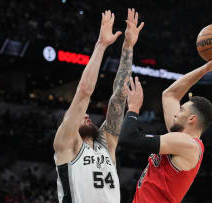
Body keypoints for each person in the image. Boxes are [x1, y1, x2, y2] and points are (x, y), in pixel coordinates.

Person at [53, 9, 144, 203]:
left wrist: (128, 47)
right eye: (81, 116)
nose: (86, 116)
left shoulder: (106, 145)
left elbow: (119, 96)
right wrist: (101, 45)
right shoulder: (68, 144)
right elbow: (84, 91)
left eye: (87, 115)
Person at [119, 53, 212, 203]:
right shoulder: (180, 137)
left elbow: (128, 139)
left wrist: (133, 108)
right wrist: (206, 68)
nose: (175, 114)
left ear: (192, 119)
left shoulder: (187, 144)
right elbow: (170, 95)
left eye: (181, 111)